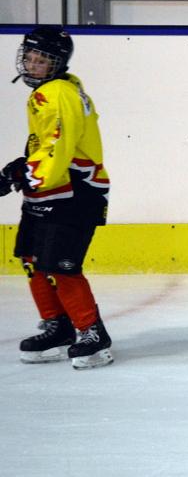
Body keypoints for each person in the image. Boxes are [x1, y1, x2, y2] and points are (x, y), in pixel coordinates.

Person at [0, 26, 113, 370]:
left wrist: (27, 174)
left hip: (74, 193)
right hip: (50, 189)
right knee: (33, 259)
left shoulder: (58, 92)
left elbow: (58, 147)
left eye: (42, 59)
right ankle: (59, 327)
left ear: (57, 63)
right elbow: (48, 143)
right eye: (30, 57)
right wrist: (22, 168)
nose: (33, 64)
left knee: (61, 266)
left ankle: (93, 335)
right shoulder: (50, 91)